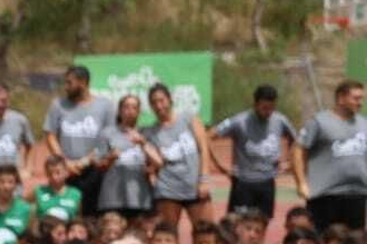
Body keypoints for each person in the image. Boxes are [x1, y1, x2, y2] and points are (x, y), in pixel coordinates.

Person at [210, 84, 298, 227]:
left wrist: (289, 162)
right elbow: (208, 137)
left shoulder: (280, 120)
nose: (268, 112)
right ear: (255, 104)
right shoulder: (239, 121)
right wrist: (219, 165)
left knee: (261, 226)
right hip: (243, 183)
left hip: (267, 183)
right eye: (264, 108)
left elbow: (297, 143)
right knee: (235, 226)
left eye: (271, 108)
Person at [43, 65, 116, 217]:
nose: (66, 87)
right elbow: (50, 135)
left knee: (93, 216)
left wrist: (86, 161)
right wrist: (65, 162)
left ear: (82, 83)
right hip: (67, 171)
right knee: (66, 214)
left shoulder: (105, 106)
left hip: (94, 170)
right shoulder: (58, 105)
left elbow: (108, 138)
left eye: (69, 83)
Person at [296, 79, 367, 231]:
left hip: (357, 194)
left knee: (354, 242)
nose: (360, 102)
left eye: (362, 98)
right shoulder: (319, 122)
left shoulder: (364, 124)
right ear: (341, 98)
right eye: (356, 98)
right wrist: (301, 182)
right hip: (325, 195)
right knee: (323, 241)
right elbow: (298, 149)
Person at [144, 83, 212, 235]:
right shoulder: (151, 132)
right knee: (169, 235)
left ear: (170, 100)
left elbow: (204, 149)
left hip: (195, 187)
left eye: (161, 100)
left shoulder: (189, 120)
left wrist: (205, 179)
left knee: (206, 234)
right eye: (154, 102)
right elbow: (153, 164)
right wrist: (151, 173)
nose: (159, 105)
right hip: (167, 190)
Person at [95, 93, 161, 222]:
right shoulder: (107, 133)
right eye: (126, 107)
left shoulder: (147, 133)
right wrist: (110, 158)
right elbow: (98, 166)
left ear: (139, 112)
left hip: (140, 198)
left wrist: (143, 143)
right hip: (113, 198)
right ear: (119, 111)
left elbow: (158, 162)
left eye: (134, 108)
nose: (130, 111)